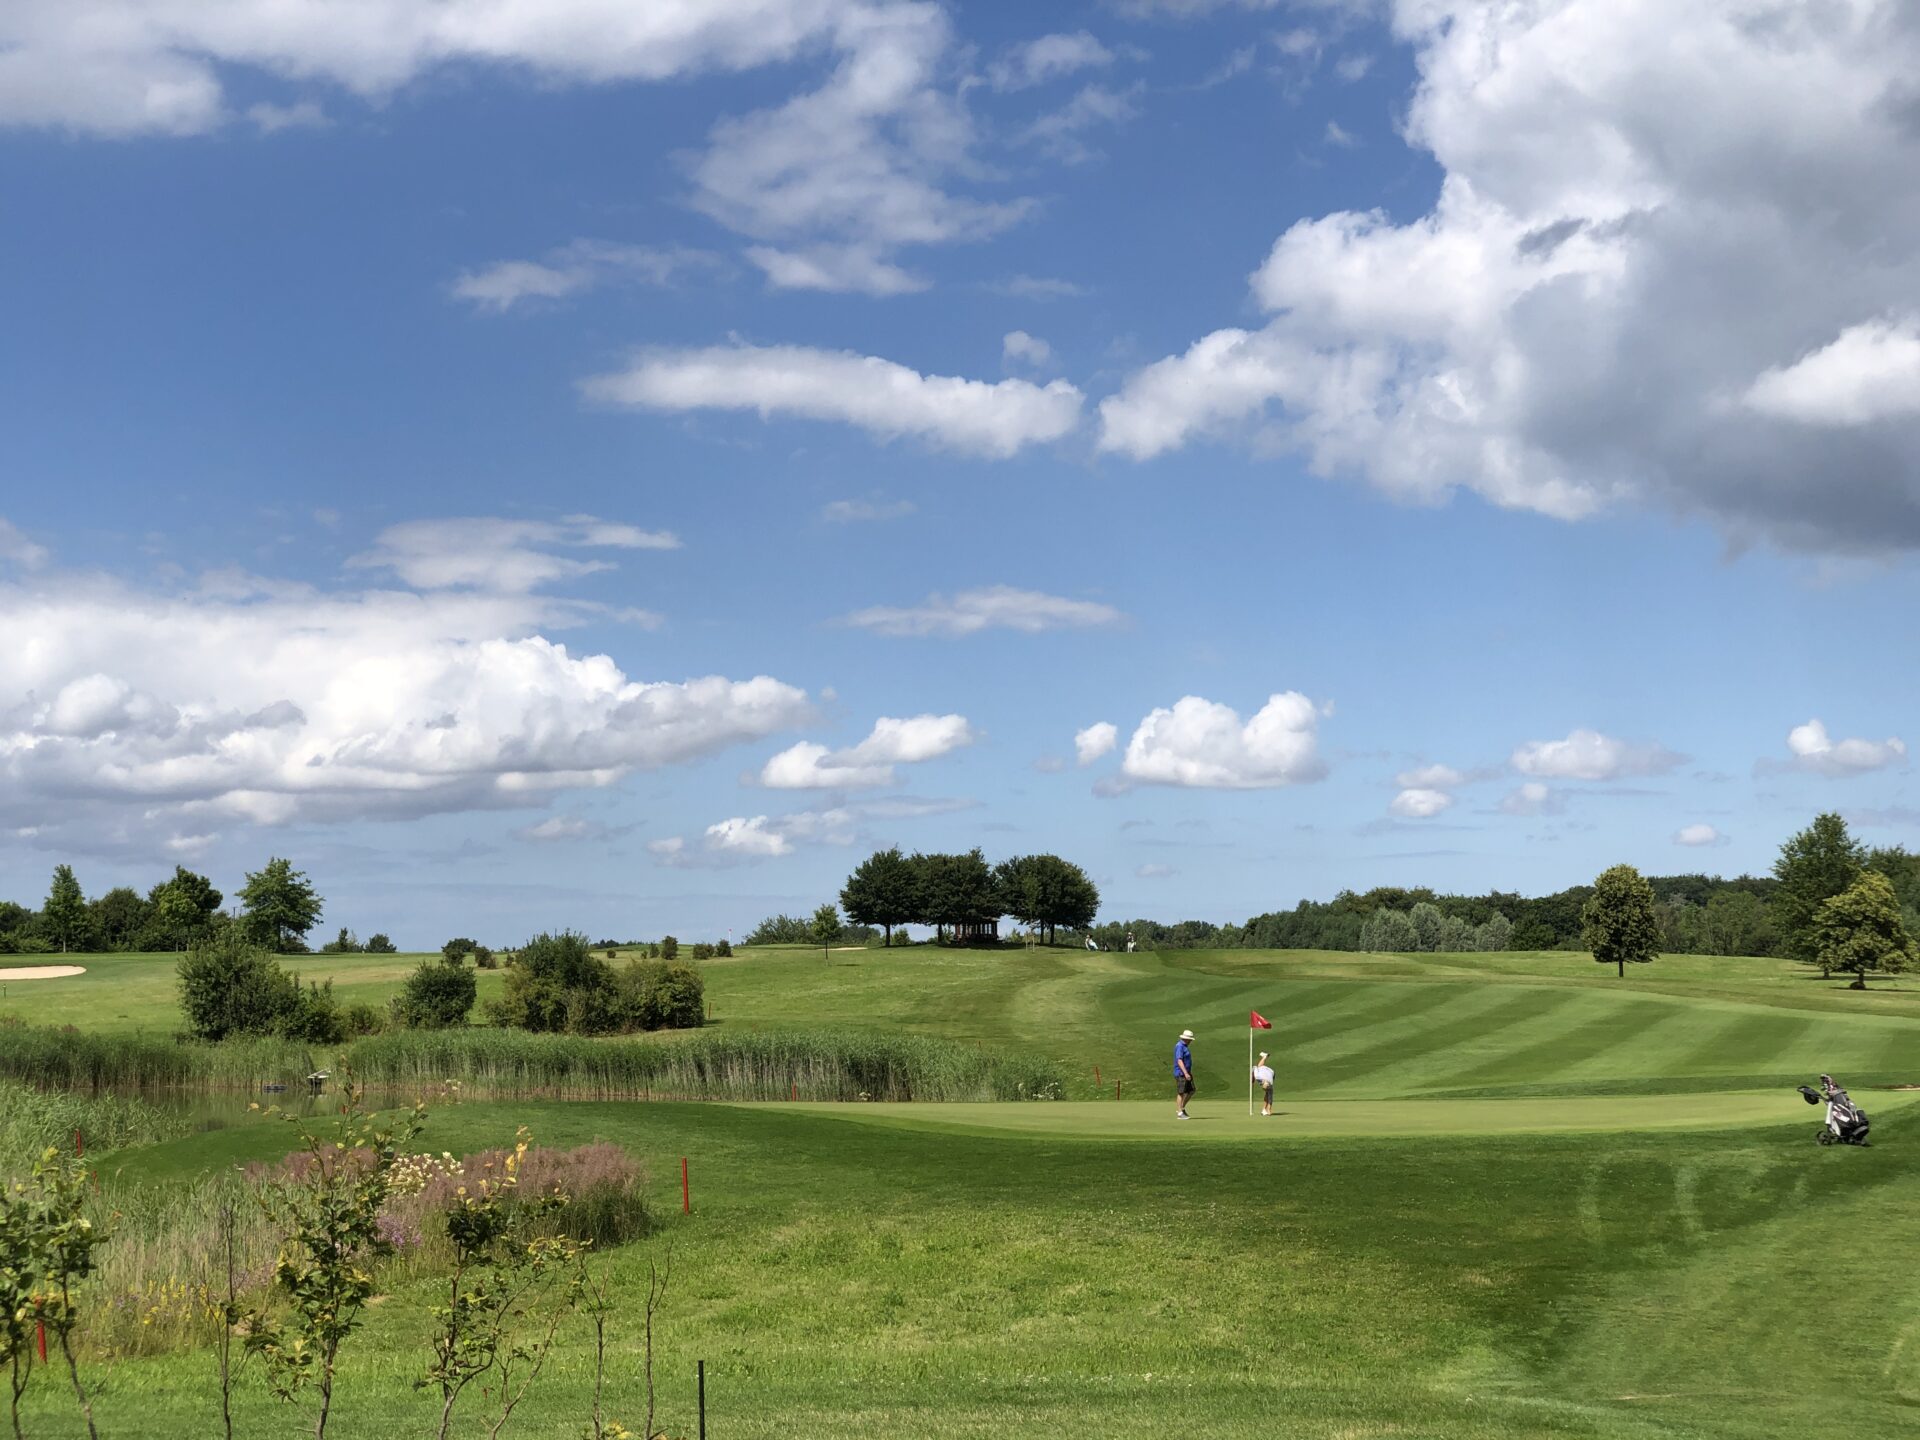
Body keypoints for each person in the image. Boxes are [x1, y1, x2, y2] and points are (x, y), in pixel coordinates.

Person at [1173, 1028, 1195, 1118]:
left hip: (1186, 1072)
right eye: (1189, 1039)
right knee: (1181, 1092)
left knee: (1191, 1090)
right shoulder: (1180, 1046)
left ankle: (1182, 1108)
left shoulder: (1184, 1046)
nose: (1190, 1041)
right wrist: (1185, 1073)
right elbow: (1179, 1060)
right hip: (1181, 1073)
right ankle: (1179, 1112)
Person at [1251, 1050, 1275, 1116]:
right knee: (1259, 1066)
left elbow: (1271, 1098)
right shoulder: (1258, 1076)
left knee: (1269, 1093)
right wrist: (1252, 1081)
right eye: (1264, 1086)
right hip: (1264, 1070)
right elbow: (1254, 1068)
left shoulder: (1270, 1082)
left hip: (1270, 1072)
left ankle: (1266, 1109)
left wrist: (1269, 1110)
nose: (1263, 1087)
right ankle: (1264, 1109)